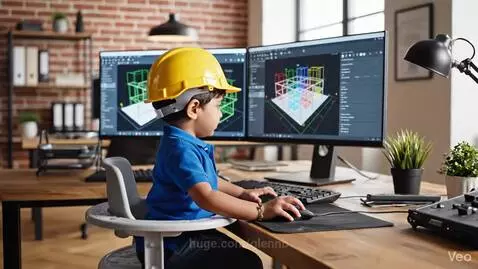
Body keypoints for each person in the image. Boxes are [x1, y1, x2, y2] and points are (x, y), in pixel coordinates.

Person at [135, 47, 305, 269]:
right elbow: (207, 196)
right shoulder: (181, 150)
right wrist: (262, 211)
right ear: (194, 108)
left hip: (177, 237)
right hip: (173, 246)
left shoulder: (180, 143)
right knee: (247, 263)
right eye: (218, 105)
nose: (221, 113)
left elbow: (210, 180)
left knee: (238, 253)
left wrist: (243, 193)